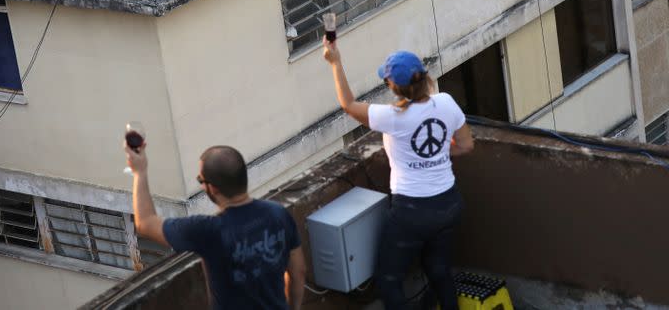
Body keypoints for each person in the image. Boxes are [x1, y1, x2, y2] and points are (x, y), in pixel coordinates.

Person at [322, 38, 474, 310]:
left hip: (411, 213)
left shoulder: (392, 117)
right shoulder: (446, 102)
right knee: (438, 270)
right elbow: (465, 145)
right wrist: (437, 155)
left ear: (393, 87)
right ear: (425, 79)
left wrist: (335, 62)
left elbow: (347, 104)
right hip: (449, 204)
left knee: (389, 280)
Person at [124, 141, 306, 310]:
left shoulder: (208, 231)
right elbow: (298, 272)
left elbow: (145, 223)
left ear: (214, 188)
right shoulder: (278, 213)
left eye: (201, 180)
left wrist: (140, 171)